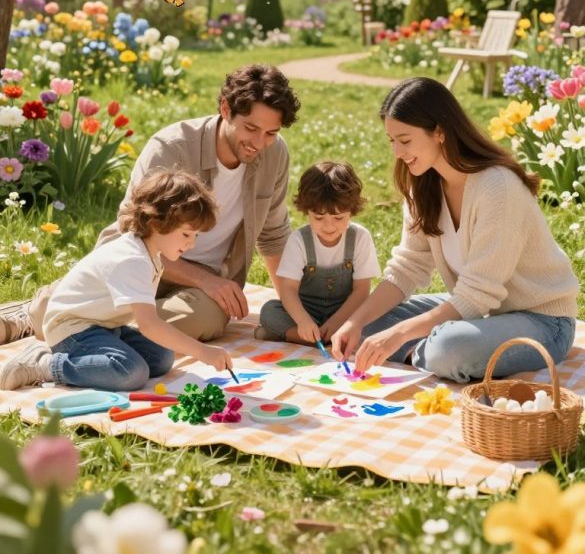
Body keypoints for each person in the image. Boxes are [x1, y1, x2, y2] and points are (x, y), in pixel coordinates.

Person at [0, 64, 300, 348]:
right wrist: (204, 280)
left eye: (271, 133)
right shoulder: (171, 147)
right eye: (251, 128)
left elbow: (272, 236)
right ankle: (40, 312)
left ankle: (82, 327)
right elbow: (134, 232)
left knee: (207, 319)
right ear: (225, 109)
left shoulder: (275, 155)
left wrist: (295, 307)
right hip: (140, 262)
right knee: (66, 312)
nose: (260, 142)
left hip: (200, 289)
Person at [331, 77, 578, 383]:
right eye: (391, 140)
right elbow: (407, 268)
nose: (397, 152)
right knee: (365, 330)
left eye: (405, 140)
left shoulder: (497, 187)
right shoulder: (423, 184)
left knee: (449, 348)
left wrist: (399, 334)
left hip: (541, 321)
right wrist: (355, 321)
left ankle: (429, 352)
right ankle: (425, 348)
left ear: (439, 132)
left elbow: (477, 294)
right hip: (480, 313)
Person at [0, 169, 235, 390]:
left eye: (195, 236)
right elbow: (149, 324)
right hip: (72, 328)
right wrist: (203, 352)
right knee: (131, 372)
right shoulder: (132, 259)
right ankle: (46, 364)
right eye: (186, 234)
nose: (191, 243)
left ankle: (95, 357)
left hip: (104, 325)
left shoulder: (151, 252)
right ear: (156, 223)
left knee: (162, 358)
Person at [257, 161, 380, 344]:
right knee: (270, 310)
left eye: (338, 218)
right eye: (319, 217)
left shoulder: (360, 238)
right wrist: (303, 321)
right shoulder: (299, 240)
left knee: (380, 311)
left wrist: (338, 322)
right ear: (307, 211)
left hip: (345, 311)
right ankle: (312, 337)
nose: (329, 226)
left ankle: (291, 336)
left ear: (351, 211)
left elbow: (361, 291)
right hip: (307, 310)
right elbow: (288, 290)